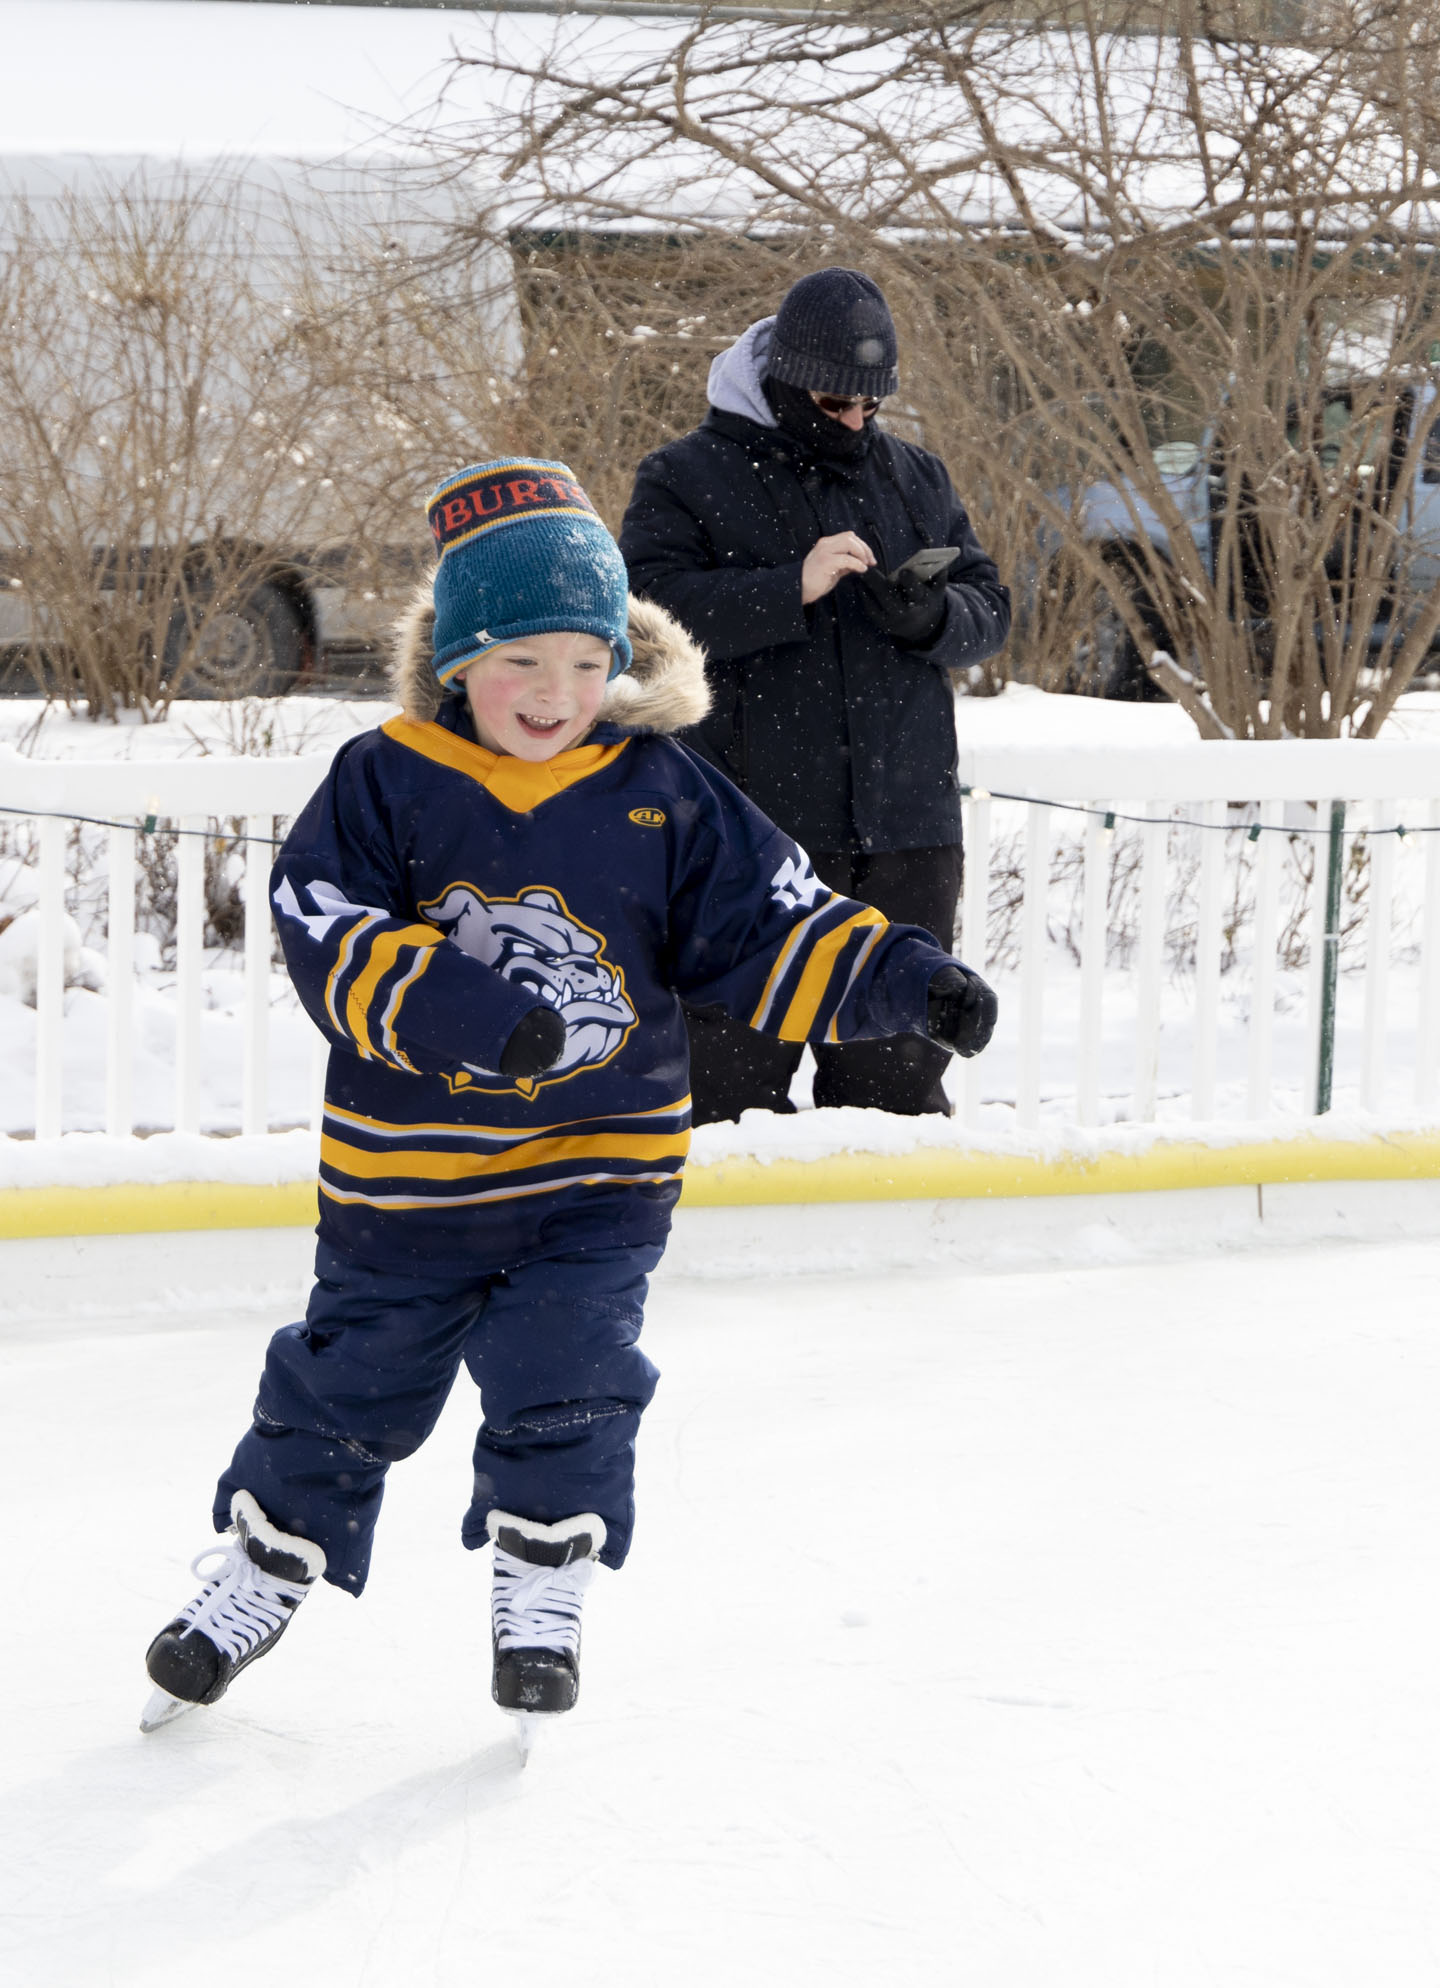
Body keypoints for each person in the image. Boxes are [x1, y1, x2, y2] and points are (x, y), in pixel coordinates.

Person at [138, 459, 996, 1733]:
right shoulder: (386, 779)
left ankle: (543, 1581)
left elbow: (770, 921)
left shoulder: (660, 790)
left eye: (586, 662)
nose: (556, 695)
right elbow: (328, 929)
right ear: (458, 662)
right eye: (520, 663)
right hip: (407, 1186)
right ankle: (263, 1569)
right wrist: (472, 1012)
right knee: (347, 1379)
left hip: (596, 1178)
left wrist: (902, 977)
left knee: (572, 1372)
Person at [620, 267, 1009, 1125]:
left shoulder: (916, 478)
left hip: (906, 838)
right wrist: (783, 589)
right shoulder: (687, 475)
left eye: (872, 405)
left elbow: (992, 607)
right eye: (837, 403)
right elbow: (642, 621)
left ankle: (891, 1256)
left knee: (896, 1099)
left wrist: (934, 615)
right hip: (748, 846)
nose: (857, 422)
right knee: (721, 1095)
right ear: (783, 377)